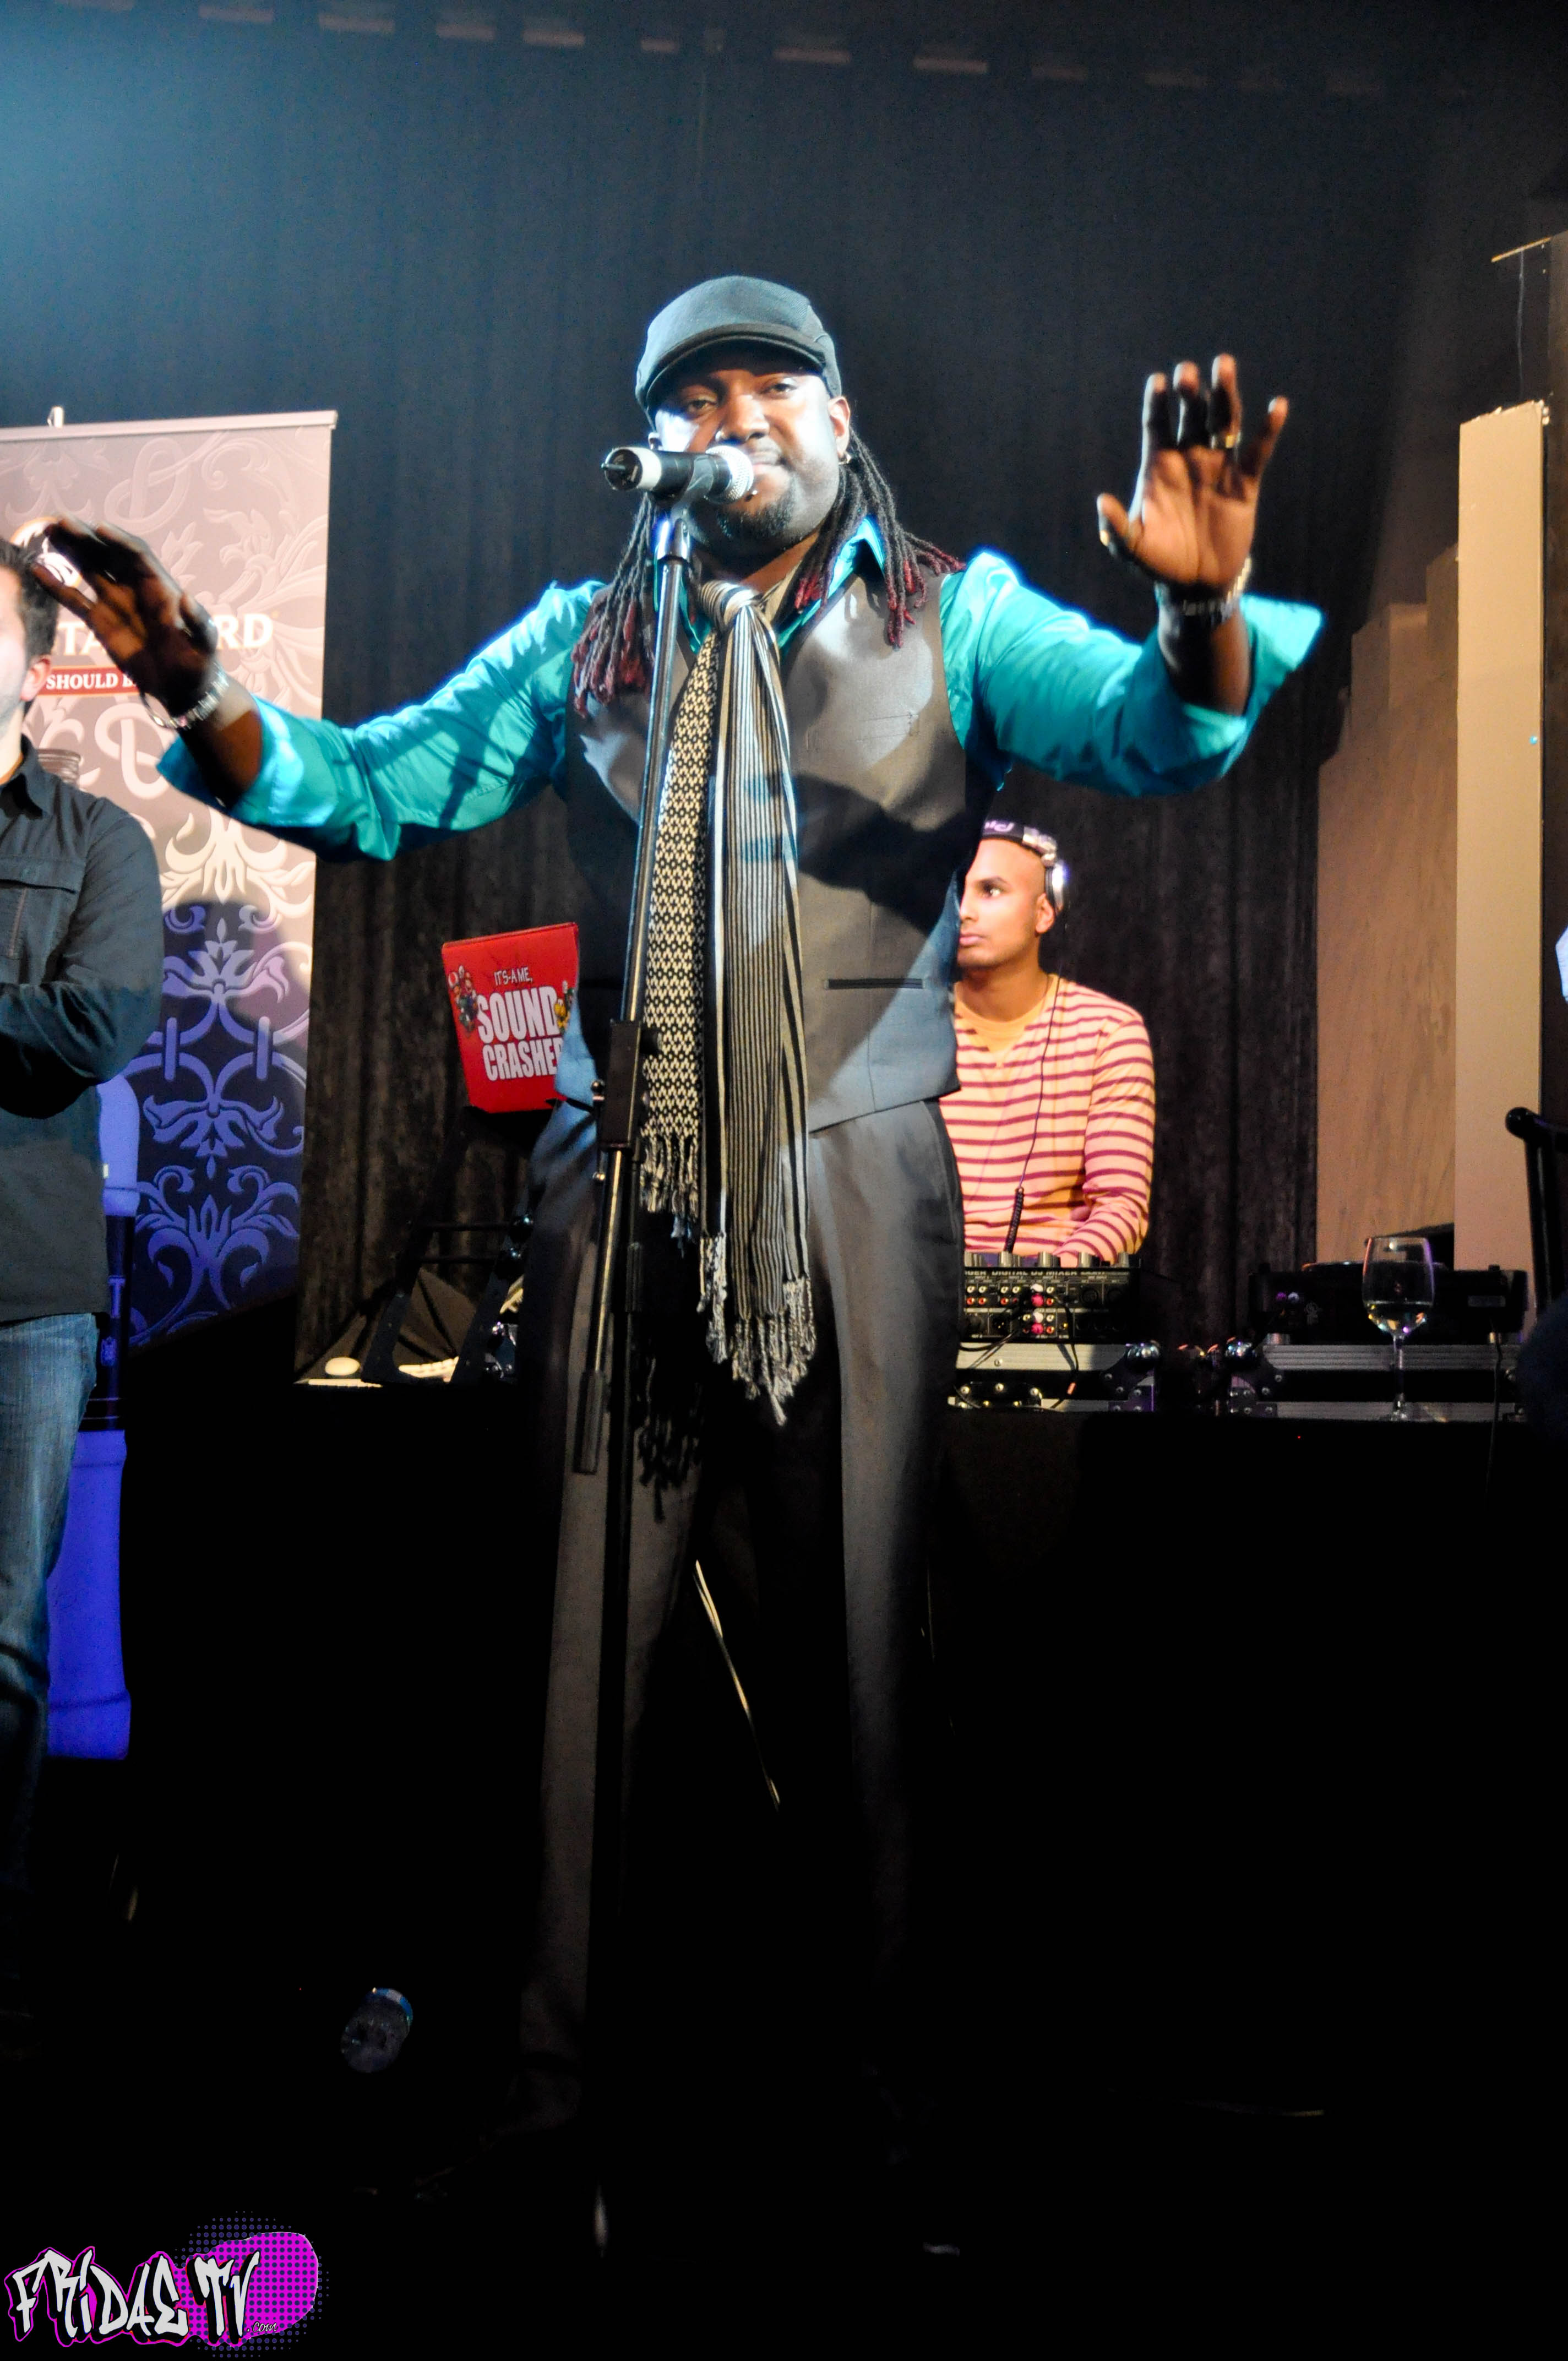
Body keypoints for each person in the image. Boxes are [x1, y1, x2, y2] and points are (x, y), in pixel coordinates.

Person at [32, 276, 1321, 2152]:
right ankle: (548, 2097)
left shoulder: (949, 615)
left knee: (859, 1656)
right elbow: (368, 785)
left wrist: (1197, 615)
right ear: (650, 444)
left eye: (767, 386)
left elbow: (1155, 735)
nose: (732, 419)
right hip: (620, 1176)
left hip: (852, 1176)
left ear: (840, 418)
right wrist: (187, 683)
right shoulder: (589, 639)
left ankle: (879, 2092)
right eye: (693, 395)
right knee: (574, 1665)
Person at [0, 539, 163, 2064]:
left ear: (31, 665)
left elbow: (94, 1026)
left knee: (2, 1636)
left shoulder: (97, 839)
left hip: (20, 1290)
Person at [941, 817, 1155, 1263]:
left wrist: (1046, 1286)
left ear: (1045, 911)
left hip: (1054, 1286)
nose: (964, 911)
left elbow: (1121, 1207)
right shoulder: (911, 1029)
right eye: (958, 890)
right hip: (928, 1290)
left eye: (991, 890)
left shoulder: (1109, 1031)